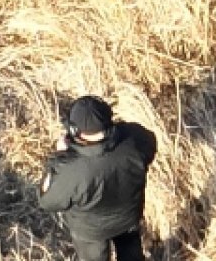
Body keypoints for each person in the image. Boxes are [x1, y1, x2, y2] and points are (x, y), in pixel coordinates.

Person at [38, 96, 157, 261]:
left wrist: (59, 157)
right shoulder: (134, 139)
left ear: (75, 131)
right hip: (128, 218)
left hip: (91, 232)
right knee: (131, 254)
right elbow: (150, 145)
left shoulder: (71, 170)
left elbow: (48, 201)